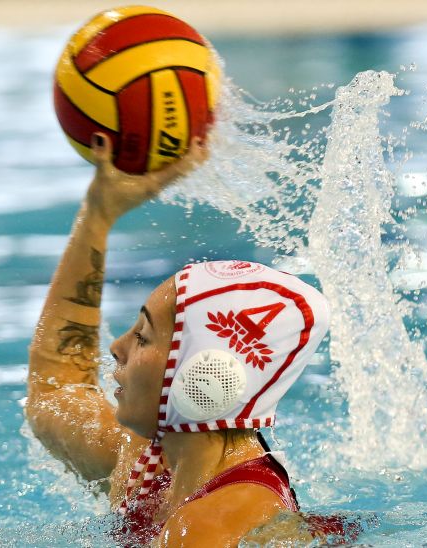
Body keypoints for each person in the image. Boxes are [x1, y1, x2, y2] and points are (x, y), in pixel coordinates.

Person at [26, 132, 332, 546]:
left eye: (143, 337)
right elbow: (54, 389)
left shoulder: (217, 523)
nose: (117, 347)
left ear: (205, 376)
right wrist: (99, 214)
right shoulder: (150, 457)